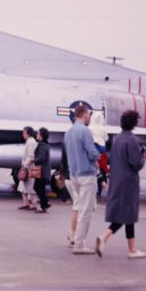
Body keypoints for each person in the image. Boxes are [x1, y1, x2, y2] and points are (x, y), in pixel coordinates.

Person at [95, 109, 146, 259]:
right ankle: (105, 237)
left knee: (126, 215)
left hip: (116, 179)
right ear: (134, 123)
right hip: (128, 182)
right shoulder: (132, 140)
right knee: (127, 215)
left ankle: (132, 249)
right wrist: (143, 156)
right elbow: (136, 163)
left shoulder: (117, 139)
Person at [64, 104, 100, 254]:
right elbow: (92, 153)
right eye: (89, 115)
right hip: (87, 174)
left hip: (74, 175)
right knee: (86, 210)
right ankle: (79, 244)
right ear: (85, 114)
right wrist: (99, 156)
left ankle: (78, 240)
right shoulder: (85, 131)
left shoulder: (69, 132)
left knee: (83, 207)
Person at [62, 143, 79, 248]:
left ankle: (72, 233)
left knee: (76, 206)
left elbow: (63, 161)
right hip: (76, 177)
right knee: (78, 207)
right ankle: (73, 235)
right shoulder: (80, 138)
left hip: (68, 177)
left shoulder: (66, 139)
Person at [18, 126, 38, 210]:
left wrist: (24, 166)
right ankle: (25, 202)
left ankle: (34, 203)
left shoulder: (32, 142)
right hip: (26, 167)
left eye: (24, 133)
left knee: (30, 186)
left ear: (28, 133)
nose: (23, 134)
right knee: (23, 185)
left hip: (29, 168)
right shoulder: (29, 141)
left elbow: (30, 156)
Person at [32, 127, 51, 213]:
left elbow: (41, 158)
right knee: (41, 188)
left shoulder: (42, 145)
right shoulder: (45, 144)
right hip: (44, 171)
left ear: (42, 135)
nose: (37, 134)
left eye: (38, 133)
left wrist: (34, 160)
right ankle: (45, 205)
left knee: (37, 187)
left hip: (41, 171)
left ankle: (46, 203)